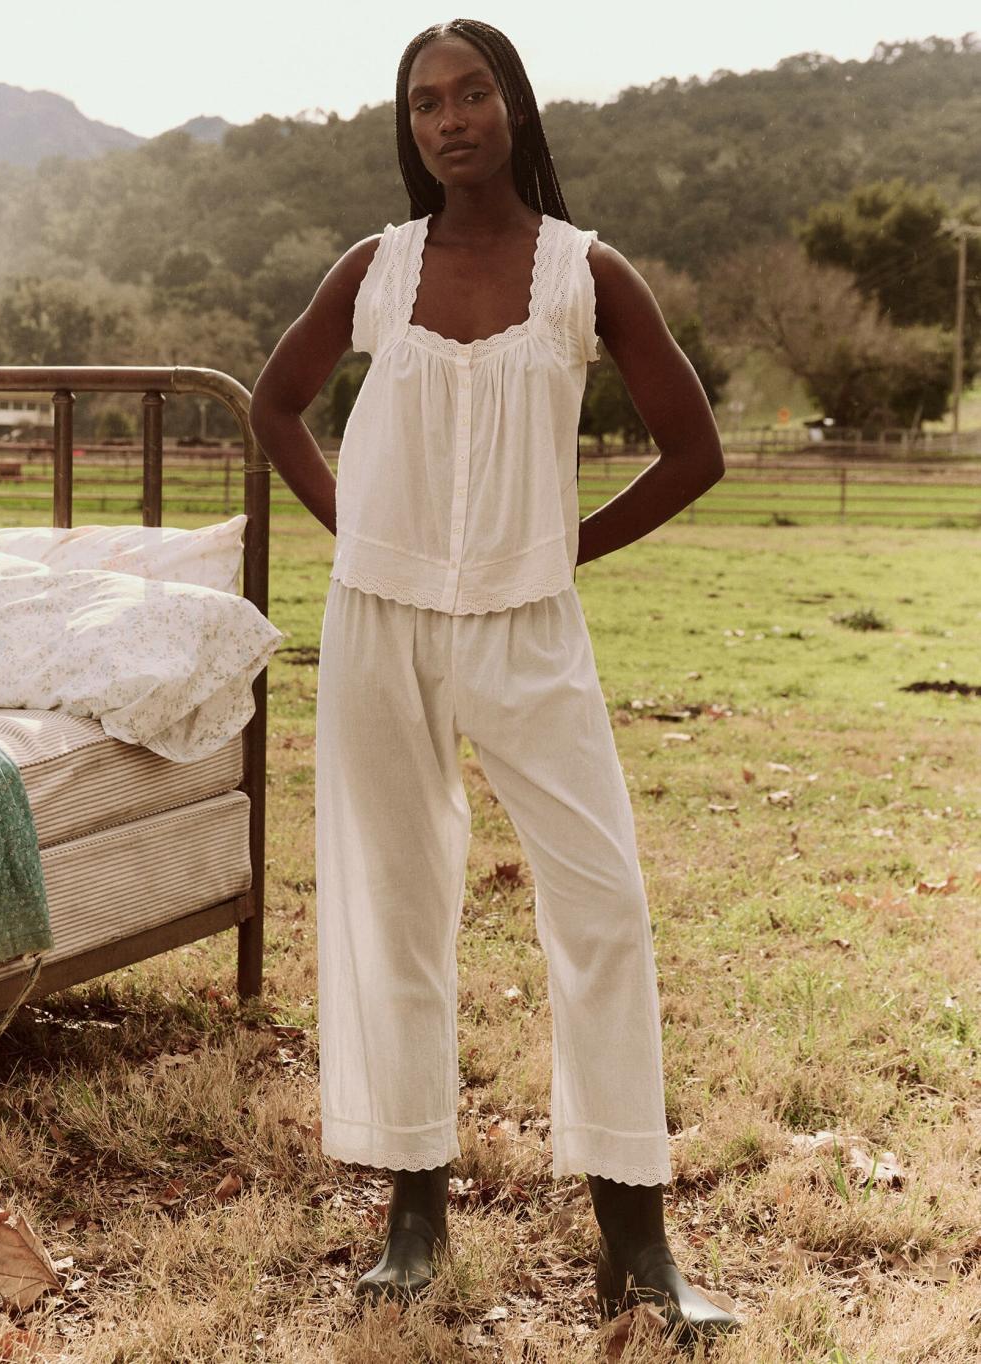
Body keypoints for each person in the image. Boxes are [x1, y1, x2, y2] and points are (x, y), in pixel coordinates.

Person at [249, 17, 738, 1343]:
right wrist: (358, 528)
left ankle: (638, 1246)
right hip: (381, 624)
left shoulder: (587, 273)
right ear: (408, 128)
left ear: (514, 106)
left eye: (472, 94)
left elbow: (695, 451)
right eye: (425, 103)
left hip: (529, 629)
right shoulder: (376, 267)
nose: (450, 119)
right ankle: (413, 1220)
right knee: (397, 905)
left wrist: (558, 546)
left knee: (605, 904)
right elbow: (276, 403)